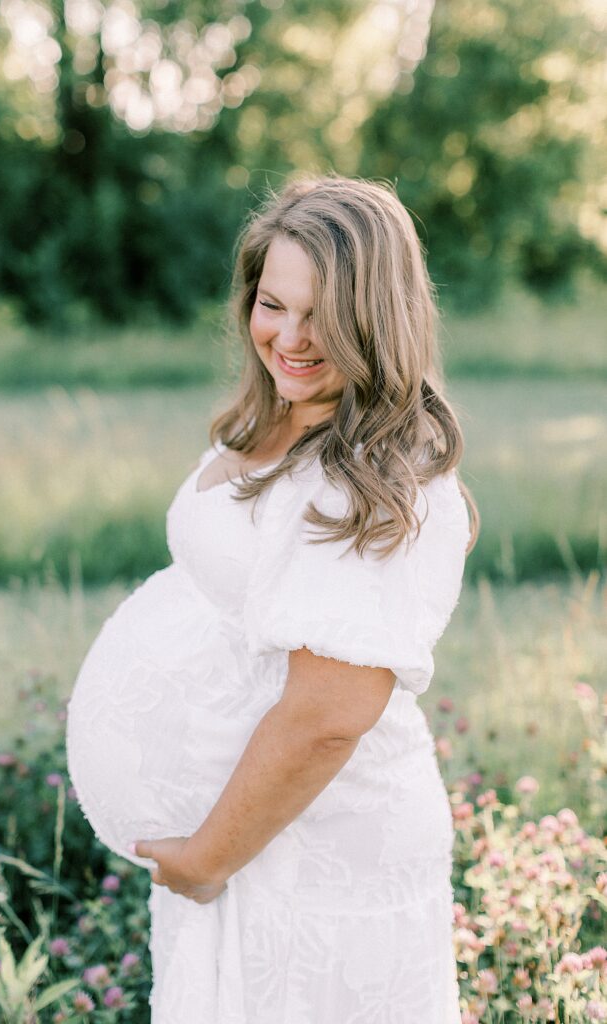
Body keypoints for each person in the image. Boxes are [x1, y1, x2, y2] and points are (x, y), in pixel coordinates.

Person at [66, 173, 480, 1023]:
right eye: (270, 303)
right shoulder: (277, 416)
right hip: (244, 849)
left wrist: (209, 856)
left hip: (313, 856)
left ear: (376, 319)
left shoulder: (382, 480)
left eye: (320, 315)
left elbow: (329, 714)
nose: (287, 338)